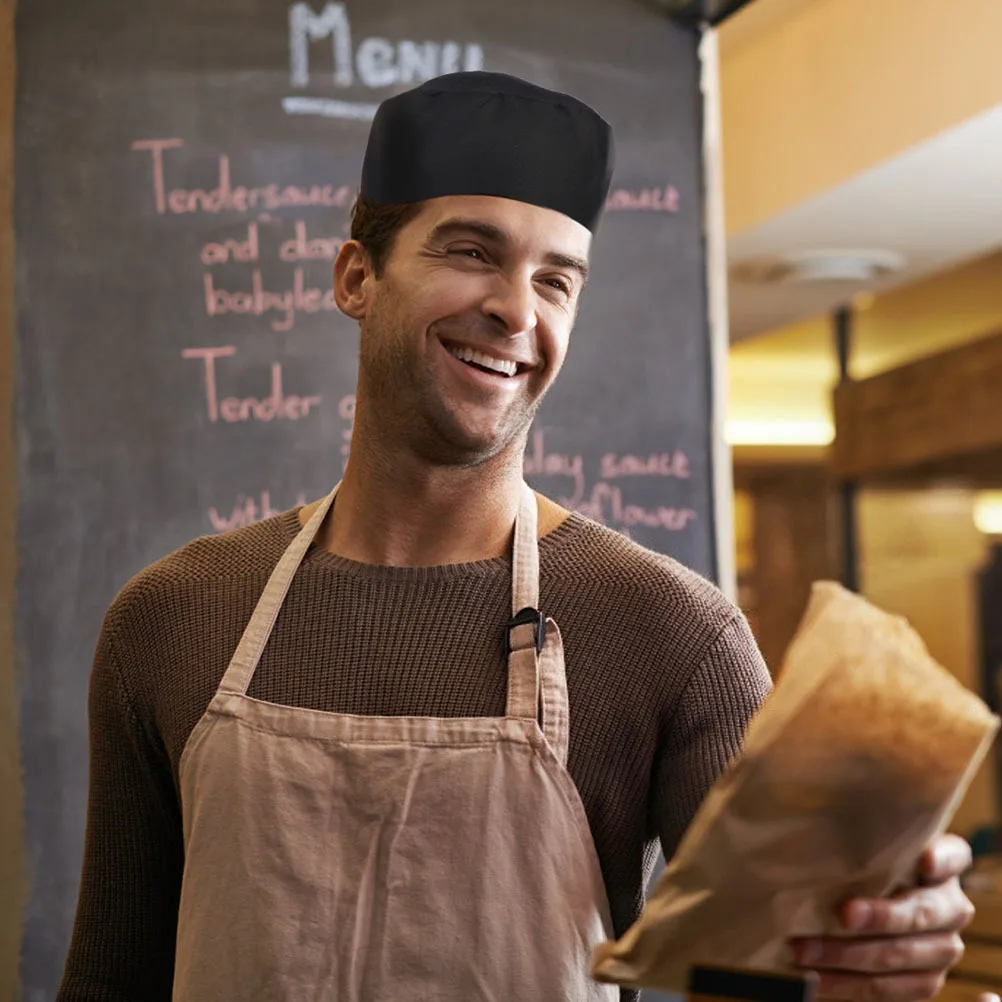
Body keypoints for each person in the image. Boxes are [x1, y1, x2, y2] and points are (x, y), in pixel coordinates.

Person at [59, 72, 977, 1001]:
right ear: (356, 278)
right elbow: (111, 980)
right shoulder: (173, 618)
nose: (517, 310)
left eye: (556, 280)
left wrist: (870, 958)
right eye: (471, 251)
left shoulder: (675, 634)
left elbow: (779, 978)